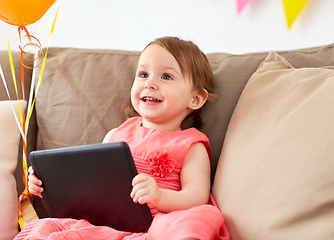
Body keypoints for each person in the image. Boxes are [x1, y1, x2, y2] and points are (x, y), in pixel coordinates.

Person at [15, 36, 230, 240]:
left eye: (166, 77)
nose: (150, 84)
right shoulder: (116, 135)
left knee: (197, 219)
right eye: (143, 75)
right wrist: (48, 184)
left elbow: (197, 196)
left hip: (158, 224)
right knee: (47, 228)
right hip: (106, 225)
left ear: (195, 98)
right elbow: (90, 186)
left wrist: (160, 197)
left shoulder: (191, 144)